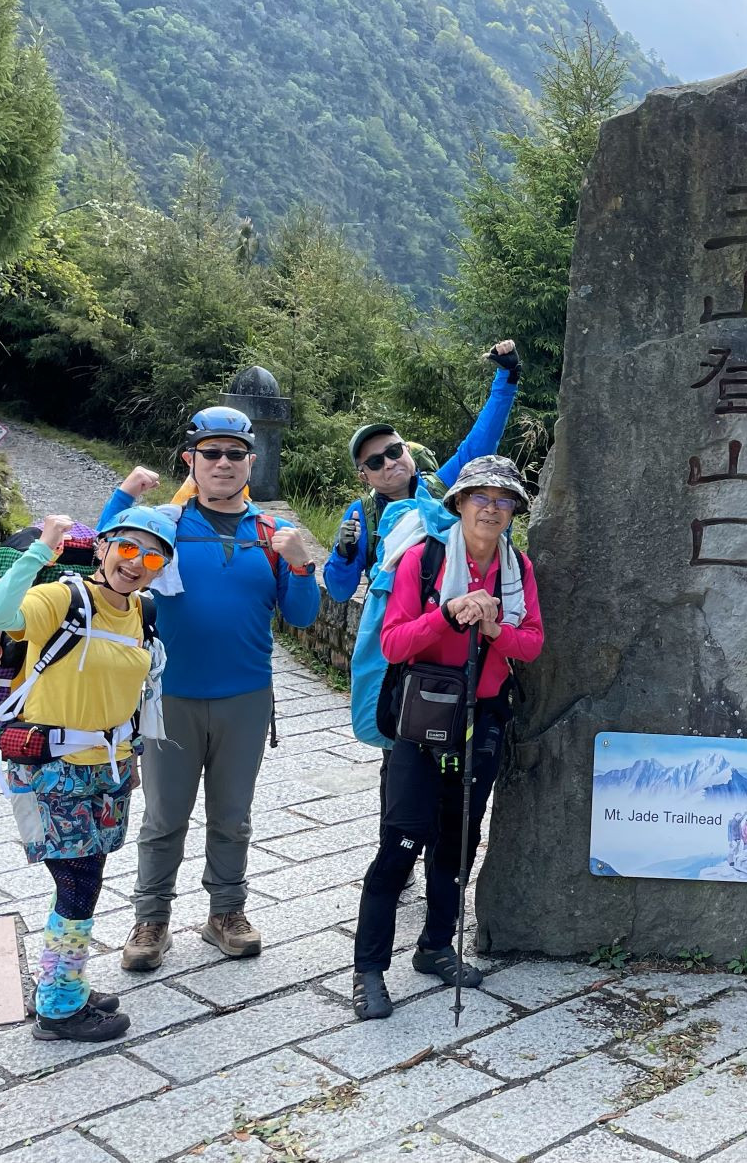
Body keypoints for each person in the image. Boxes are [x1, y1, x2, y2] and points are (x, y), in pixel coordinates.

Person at [104, 406, 321, 970]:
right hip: (170, 695)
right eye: (211, 453)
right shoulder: (165, 526)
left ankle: (226, 912)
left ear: (252, 461)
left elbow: (300, 617)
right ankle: (151, 920)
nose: (223, 464)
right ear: (190, 461)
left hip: (246, 697)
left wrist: (301, 568)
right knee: (163, 818)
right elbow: (99, 559)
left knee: (233, 815)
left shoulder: (272, 533)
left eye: (234, 454)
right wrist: (121, 498)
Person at [351, 455, 544, 1020]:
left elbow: (530, 644)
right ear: (458, 503)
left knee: (458, 840)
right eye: (480, 497)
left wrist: (493, 628)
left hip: (481, 716)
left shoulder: (518, 569)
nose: (491, 508)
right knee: (402, 841)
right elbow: (394, 643)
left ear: (514, 512)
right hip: (421, 716)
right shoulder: (425, 560)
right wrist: (449, 615)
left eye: (504, 500)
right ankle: (368, 971)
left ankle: (435, 945)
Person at [0, 508, 175, 1041]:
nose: (137, 563)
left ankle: (63, 982)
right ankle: (60, 1007)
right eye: (129, 549)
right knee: (77, 881)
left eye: (153, 556)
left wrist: (130, 756)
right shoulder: (64, 598)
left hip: (108, 768)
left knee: (85, 877)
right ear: (105, 547)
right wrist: (42, 550)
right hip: (52, 768)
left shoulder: (144, 613)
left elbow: (131, 694)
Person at [322, 340, 522, 602]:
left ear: (407, 450)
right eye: (375, 462)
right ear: (364, 476)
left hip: (455, 616)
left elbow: (481, 441)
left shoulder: (442, 487)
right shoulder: (363, 515)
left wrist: (507, 377)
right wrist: (342, 553)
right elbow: (339, 592)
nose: (390, 463)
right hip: (397, 628)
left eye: (393, 452)